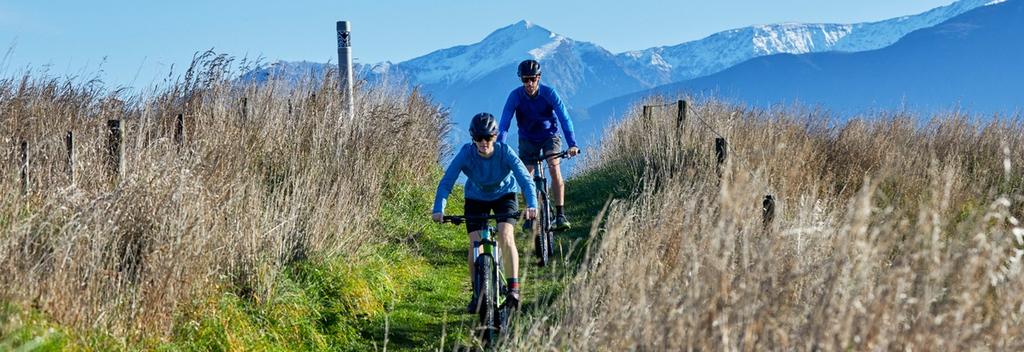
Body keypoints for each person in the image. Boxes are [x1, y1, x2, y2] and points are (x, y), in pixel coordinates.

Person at [433, 112, 538, 313]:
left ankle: (514, 289)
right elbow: (447, 181)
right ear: (473, 139)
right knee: (475, 245)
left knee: (506, 236)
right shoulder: (466, 153)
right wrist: (439, 208)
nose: (483, 142)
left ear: (495, 137)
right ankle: (476, 293)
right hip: (475, 199)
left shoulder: (505, 152)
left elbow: (525, 179)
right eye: (478, 138)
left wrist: (532, 204)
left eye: (488, 137)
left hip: (505, 196)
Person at [497, 59, 580, 230]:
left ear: (539, 78)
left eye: (532, 79)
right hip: (527, 139)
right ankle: (530, 213)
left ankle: (560, 214)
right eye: (525, 79)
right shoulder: (515, 96)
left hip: (550, 136)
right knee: (526, 176)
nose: (529, 83)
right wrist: (500, 146)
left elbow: (564, 118)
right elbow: (504, 123)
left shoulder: (549, 94)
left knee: (554, 167)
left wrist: (572, 144)